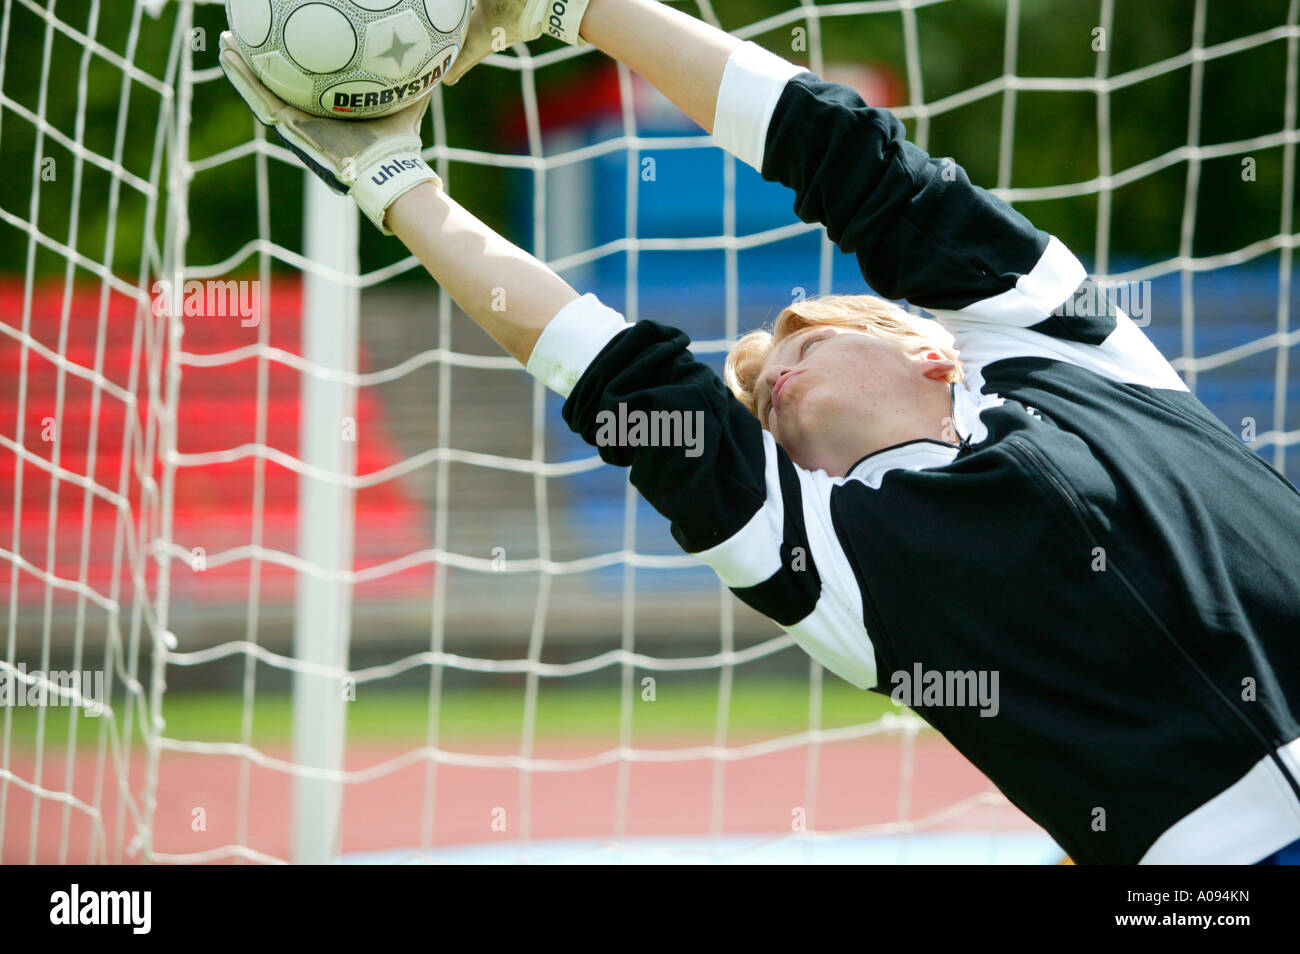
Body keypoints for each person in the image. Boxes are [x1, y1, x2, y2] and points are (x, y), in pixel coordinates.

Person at [219, 0, 1300, 864]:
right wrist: (388, 178)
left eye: (798, 335)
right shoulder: (829, 570)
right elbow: (602, 368)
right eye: (751, 395)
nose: (765, 370)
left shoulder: (1073, 358)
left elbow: (853, 159)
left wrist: (582, 9)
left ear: (929, 347)